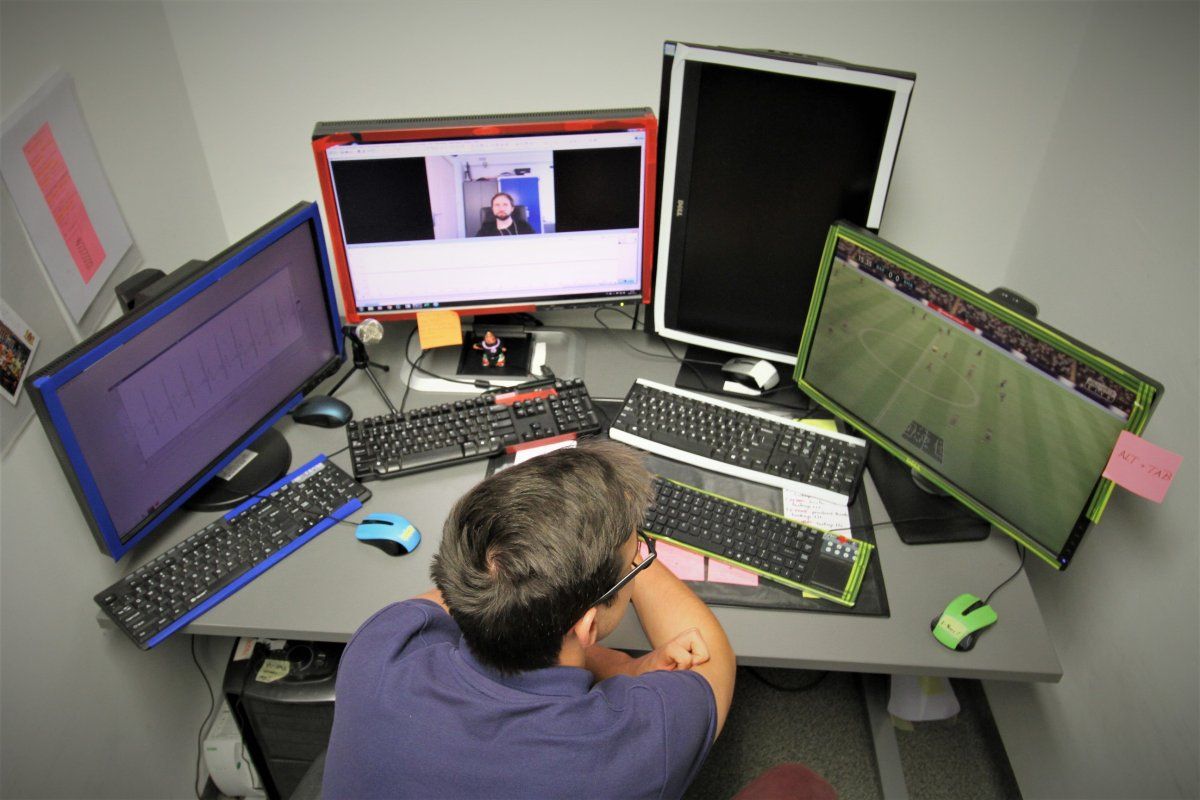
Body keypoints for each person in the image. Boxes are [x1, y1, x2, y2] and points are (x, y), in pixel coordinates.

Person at [322, 441, 736, 799]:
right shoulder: (632, 744)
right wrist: (619, 539)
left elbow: (474, 590)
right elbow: (712, 657)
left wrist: (628, 667)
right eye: (635, 561)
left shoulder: (382, 645)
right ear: (587, 626)